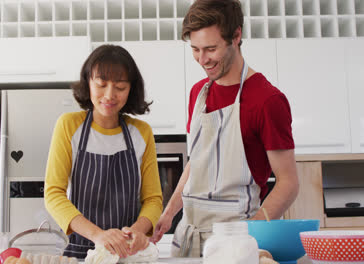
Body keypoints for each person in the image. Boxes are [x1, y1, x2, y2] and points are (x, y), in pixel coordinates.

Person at [150, 0, 299, 257]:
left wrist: (248, 233)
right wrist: (169, 212)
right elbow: (197, 162)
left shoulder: (267, 101)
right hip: (188, 237)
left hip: (234, 244)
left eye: (210, 48)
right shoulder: (198, 93)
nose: (202, 59)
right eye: (195, 49)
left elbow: (288, 183)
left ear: (236, 36)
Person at [44, 44, 163, 259]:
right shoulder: (69, 126)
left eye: (120, 87)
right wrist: (99, 236)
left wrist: (137, 231)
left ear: (131, 89)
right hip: (80, 253)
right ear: (88, 82)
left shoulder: (141, 133)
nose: (109, 95)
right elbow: (53, 194)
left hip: (128, 254)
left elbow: (153, 199)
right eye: (101, 84)